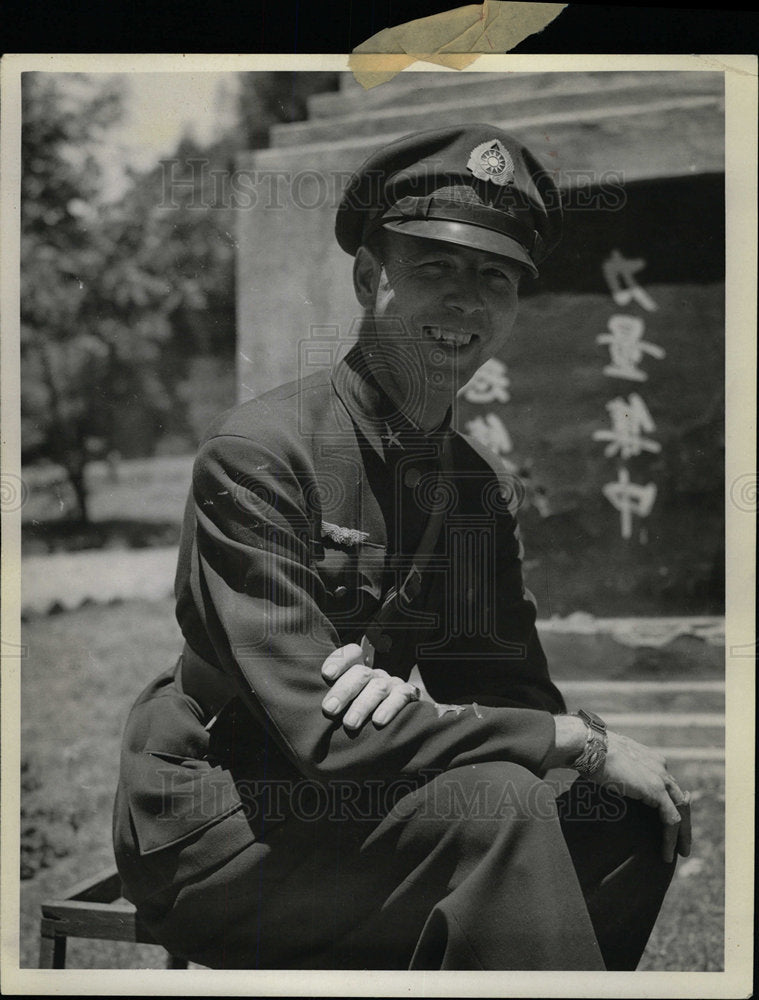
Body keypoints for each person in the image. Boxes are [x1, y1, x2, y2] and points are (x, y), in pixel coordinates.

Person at [113, 124, 691, 971]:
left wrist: (562, 745)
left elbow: (507, 691)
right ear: (365, 277)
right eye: (434, 268)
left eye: (493, 276)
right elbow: (324, 731)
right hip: (221, 825)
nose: (464, 301)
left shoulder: (469, 486)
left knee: (622, 817)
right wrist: (572, 738)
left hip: (360, 801)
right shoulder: (262, 454)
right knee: (500, 803)